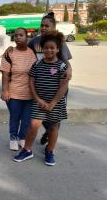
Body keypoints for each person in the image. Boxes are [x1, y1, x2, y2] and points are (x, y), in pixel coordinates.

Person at [13, 32, 69, 166]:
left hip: (56, 103)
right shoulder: (37, 65)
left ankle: (50, 151)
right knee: (33, 125)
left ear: (57, 49)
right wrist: (38, 100)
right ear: (42, 49)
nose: (49, 50)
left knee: (53, 128)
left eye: (52, 48)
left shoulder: (62, 66)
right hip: (39, 102)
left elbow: (63, 87)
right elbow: (31, 82)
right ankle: (27, 150)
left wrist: (52, 103)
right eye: (46, 48)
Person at [27, 12, 73, 146]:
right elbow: (25, 52)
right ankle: (48, 132)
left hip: (56, 85)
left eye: (47, 26)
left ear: (53, 27)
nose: (43, 28)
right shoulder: (34, 41)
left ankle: (50, 141)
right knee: (39, 114)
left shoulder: (59, 43)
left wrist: (69, 69)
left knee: (54, 116)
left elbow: (65, 62)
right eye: (42, 25)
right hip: (41, 84)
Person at [0, 28, 37, 151]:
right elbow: (5, 74)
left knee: (26, 119)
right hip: (14, 93)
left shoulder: (32, 53)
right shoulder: (9, 54)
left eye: (21, 35)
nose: (18, 37)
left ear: (27, 37)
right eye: (15, 35)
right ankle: (13, 138)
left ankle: (22, 138)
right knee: (15, 117)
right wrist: (5, 91)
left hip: (30, 93)